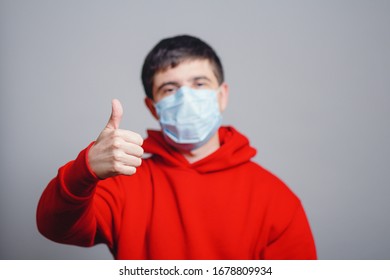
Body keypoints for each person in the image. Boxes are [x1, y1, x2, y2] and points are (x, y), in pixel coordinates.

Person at [36, 35, 317, 260]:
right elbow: (54, 227)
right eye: (170, 89)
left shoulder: (275, 199)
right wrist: (85, 170)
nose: (187, 98)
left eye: (199, 83)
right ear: (153, 107)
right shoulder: (123, 183)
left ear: (222, 96)